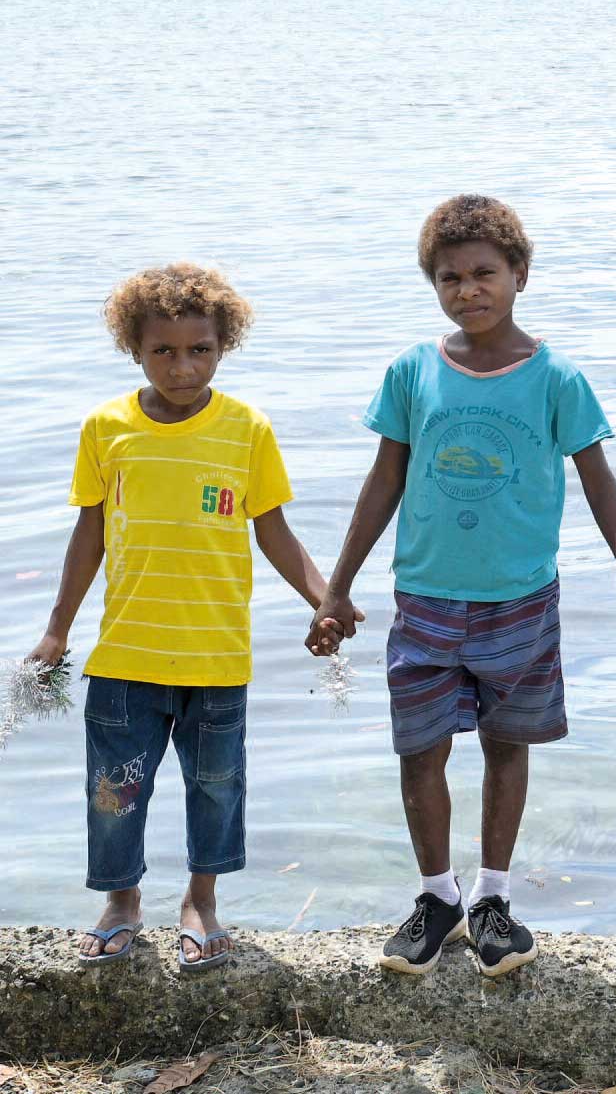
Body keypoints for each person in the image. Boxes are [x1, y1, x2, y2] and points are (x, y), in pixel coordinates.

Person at [309, 194, 616, 978]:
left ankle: (493, 899)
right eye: (450, 278)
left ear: (519, 275)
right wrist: (336, 589)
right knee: (420, 749)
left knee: (508, 746)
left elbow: (602, 485)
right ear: (433, 284)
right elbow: (383, 482)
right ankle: (437, 897)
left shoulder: (555, 377)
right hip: (426, 597)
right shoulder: (412, 371)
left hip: (521, 600)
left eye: (484, 273)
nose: (468, 290)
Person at [27, 264, 330, 974]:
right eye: (162, 350)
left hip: (216, 656)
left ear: (224, 345)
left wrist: (325, 598)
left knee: (217, 788)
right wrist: (57, 629)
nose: (182, 366)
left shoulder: (246, 429)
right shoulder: (107, 428)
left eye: (200, 349)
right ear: (133, 347)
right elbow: (89, 534)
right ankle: (122, 900)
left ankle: (201, 900)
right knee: (114, 792)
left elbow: (274, 530)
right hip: (125, 654)